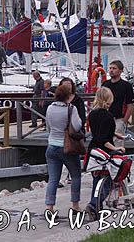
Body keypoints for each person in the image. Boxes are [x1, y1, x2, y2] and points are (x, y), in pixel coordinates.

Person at [85, 87, 125, 220]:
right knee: (109, 181)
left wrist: (114, 133)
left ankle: (96, 208)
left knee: (97, 180)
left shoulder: (92, 114)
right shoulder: (108, 116)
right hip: (104, 152)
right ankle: (93, 204)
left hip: (93, 151)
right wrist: (116, 148)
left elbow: (99, 131)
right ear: (108, 99)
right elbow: (104, 139)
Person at [45, 84, 83, 213]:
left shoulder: (50, 108)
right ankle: (75, 205)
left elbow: (48, 126)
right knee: (76, 175)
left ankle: (49, 207)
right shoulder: (71, 109)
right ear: (68, 96)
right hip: (67, 147)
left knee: (53, 179)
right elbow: (77, 126)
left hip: (51, 146)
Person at [102, 60, 134, 147]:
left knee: (117, 143)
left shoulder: (126, 85)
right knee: (104, 141)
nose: (111, 70)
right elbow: (100, 101)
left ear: (120, 71)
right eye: (110, 68)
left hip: (119, 119)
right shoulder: (105, 84)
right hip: (105, 118)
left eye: (114, 68)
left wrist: (124, 121)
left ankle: (118, 159)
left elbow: (130, 104)